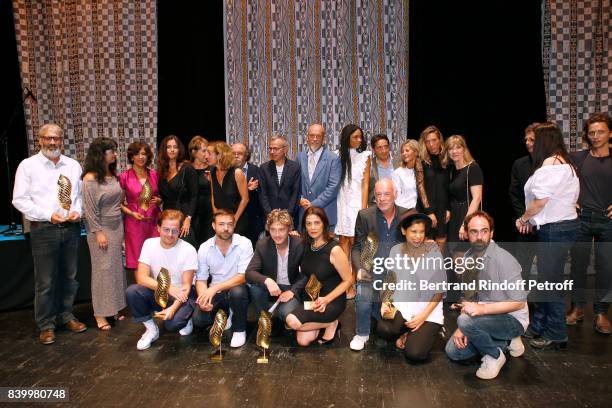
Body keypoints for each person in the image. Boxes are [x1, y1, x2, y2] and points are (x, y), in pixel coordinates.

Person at [12, 123, 87, 344]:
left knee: (70, 277)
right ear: (40, 140)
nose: (52, 142)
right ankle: (46, 324)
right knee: (46, 281)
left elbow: (80, 196)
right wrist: (48, 214)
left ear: (62, 140)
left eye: (56, 138)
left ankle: (66, 315)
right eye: (48, 138)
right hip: (44, 229)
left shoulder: (72, 165)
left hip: (71, 229)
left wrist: (78, 211)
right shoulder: (28, 166)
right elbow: (19, 200)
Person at [516, 122, 579, 349]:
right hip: (562, 227)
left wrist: (524, 219)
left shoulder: (551, 164)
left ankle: (556, 333)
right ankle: (540, 325)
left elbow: (540, 202)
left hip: (555, 229)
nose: (531, 143)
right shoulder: (565, 163)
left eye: (536, 139)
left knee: (551, 284)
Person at [446, 211, 529, 380]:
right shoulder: (469, 258)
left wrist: (477, 314)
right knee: (454, 351)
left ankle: (496, 354)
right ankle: (505, 341)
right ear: (467, 234)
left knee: (464, 321)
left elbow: (519, 302)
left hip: (512, 318)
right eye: (474, 231)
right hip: (485, 318)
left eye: (484, 231)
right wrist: (461, 329)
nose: (479, 237)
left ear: (491, 233)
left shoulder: (504, 260)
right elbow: (469, 298)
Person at [349, 179, 412, 351]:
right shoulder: (364, 216)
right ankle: (362, 333)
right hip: (371, 273)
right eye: (378, 195)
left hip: (397, 278)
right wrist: (359, 268)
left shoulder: (408, 215)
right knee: (363, 293)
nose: (382, 198)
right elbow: (356, 247)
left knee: (387, 327)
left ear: (395, 194)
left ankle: (378, 312)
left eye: (386, 194)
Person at [376, 212, 446, 363]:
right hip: (404, 303)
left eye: (421, 232)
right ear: (403, 231)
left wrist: (422, 317)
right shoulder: (396, 250)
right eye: (414, 231)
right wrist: (385, 301)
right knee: (384, 329)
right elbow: (390, 279)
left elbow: (439, 292)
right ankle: (407, 331)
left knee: (414, 354)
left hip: (427, 308)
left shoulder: (433, 253)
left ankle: (413, 334)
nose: (418, 236)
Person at [125, 209, 198, 350]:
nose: (170, 235)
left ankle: (185, 319)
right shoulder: (149, 244)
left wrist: (173, 308)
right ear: (158, 228)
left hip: (184, 295)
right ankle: (151, 329)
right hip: (164, 292)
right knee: (133, 291)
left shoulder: (188, 249)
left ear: (180, 230)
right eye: (166, 230)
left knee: (172, 324)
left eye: (175, 231)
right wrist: (169, 288)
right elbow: (141, 278)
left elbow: (186, 287)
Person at [567, 113, 612, 334]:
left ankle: (602, 313)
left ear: (610, 133)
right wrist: (569, 201)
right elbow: (559, 179)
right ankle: (577, 308)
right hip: (582, 218)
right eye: (592, 132)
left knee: (606, 267)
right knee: (578, 266)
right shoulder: (577, 157)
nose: (595, 136)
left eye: (600, 131)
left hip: (608, 221)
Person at [285, 207, 353, 346]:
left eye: (317, 223)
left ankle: (330, 322)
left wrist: (326, 300)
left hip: (331, 300)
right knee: (303, 341)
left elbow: (348, 280)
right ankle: (327, 324)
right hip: (311, 298)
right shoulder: (307, 245)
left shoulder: (334, 250)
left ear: (324, 224)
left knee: (291, 321)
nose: (313, 227)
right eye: (309, 223)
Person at [82, 137, 126, 331]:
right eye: (112, 151)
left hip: (117, 227)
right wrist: (98, 232)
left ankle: (114, 307)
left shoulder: (111, 174)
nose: (115, 155)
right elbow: (89, 210)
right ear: (101, 154)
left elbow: (118, 203)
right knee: (103, 271)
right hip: (100, 229)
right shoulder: (90, 178)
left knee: (115, 269)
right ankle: (100, 313)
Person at [193, 209, 253, 348]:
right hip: (218, 293)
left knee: (237, 292)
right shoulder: (204, 247)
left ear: (234, 225)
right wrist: (203, 298)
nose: (226, 228)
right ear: (213, 226)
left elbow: (243, 277)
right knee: (198, 320)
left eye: (229, 224)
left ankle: (239, 330)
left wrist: (214, 288)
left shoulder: (245, 243)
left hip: (239, 289)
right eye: (221, 224)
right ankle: (227, 312)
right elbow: (201, 279)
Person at [246, 209, 306, 323]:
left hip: (291, 287)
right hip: (272, 287)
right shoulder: (263, 244)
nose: (277, 235)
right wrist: (268, 280)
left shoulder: (300, 244)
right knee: (255, 287)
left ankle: (282, 313)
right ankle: (264, 321)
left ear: (289, 229)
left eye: (281, 230)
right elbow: (249, 272)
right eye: (273, 230)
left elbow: (307, 274)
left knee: (284, 313)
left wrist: (293, 291)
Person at [335, 124, 371, 298]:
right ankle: (345, 284)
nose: (359, 140)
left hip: (357, 203)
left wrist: (363, 209)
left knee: (356, 243)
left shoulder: (365, 156)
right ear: (347, 138)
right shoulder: (338, 155)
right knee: (343, 241)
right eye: (355, 137)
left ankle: (356, 284)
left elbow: (365, 184)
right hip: (341, 202)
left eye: (360, 137)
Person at [119, 141, 161, 275]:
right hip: (135, 223)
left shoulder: (154, 174)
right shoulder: (124, 177)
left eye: (144, 154)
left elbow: (160, 196)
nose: (141, 157)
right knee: (138, 259)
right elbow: (119, 203)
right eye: (137, 154)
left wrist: (159, 200)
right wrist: (131, 213)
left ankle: (157, 293)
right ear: (131, 157)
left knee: (157, 257)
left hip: (154, 221)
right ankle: (141, 294)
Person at [296, 124, 341, 230]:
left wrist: (313, 204)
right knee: (304, 246)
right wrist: (300, 199)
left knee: (326, 246)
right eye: (312, 135)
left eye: (318, 136)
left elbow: (333, 187)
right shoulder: (299, 157)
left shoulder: (333, 158)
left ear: (324, 138)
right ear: (307, 137)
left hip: (325, 214)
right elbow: (295, 183)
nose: (314, 139)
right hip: (303, 215)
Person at [508, 124, 538, 279]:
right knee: (522, 267)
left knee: (548, 269)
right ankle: (523, 302)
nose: (527, 143)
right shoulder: (519, 164)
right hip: (525, 226)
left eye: (532, 139)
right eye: (526, 139)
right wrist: (524, 218)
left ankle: (544, 302)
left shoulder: (553, 164)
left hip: (547, 226)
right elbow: (514, 194)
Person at [157, 135, 199, 247]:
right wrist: (158, 200)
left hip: (184, 216)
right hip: (167, 216)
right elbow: (164, 194)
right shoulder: (161, 170)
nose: (172, 149)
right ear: (164, 150)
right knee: (168, 248)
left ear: (179, 149)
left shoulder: (187, 168)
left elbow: (194, 196)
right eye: (168, 147)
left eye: (175, 147)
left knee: (186, 248)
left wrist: (188, 219)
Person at [446, 135, 483, 254]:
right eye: (451, 148)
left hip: (467, 214)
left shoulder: (472, 168)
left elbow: (477, 198)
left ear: (464, 149)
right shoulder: (451, 170)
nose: (454, 151)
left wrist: (465, 224)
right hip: (454, 217)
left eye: (458, 147)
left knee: (466, 256)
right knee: (454, 256)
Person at [418, 125, 450, 251]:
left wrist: (448, 208)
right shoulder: (421, 161)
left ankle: (440, 271)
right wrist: (429, 212)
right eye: (427, 141)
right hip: (427, 209)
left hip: (443, 209)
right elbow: (420, 187)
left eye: (434, 140)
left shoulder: (448, 159)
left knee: (441, 246)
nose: (431, 144)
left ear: (439, 140)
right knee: (428, 247)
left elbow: (450, 186)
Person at [258, 135, 301, 225]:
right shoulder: (264, 168)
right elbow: (263, 195)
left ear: (285, 150)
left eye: (276, 149)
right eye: (270, 148)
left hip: (290, 217)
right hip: (269, 218)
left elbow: (295, 194)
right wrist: (271, 215)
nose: (272, 151)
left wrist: (287, 215)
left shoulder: (295, 167)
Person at [210, 142, 249, 236]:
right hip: (220, 222)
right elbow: (213, 197)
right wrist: (217, 218)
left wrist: (234, 220)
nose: (206, 156)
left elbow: (245, 199)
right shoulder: (212, 173)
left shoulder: (237, 173)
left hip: (237, 221)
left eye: (210, 153)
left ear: (219, 155)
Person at [232, 142, 264, 246]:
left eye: (239, 153)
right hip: (233, 217)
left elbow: (263, 195)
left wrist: (253, 190)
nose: (236, 156)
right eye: (233, 153)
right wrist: (246, 188)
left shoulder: (257, 171)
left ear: (246, 156)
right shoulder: (226, 171)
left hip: (252, 221)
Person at [392, 139, 433, 217]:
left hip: (420, 211)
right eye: (402, 152)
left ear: (416, 152)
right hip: (404, 212)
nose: (404, 153)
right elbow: (396, 197)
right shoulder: (398, 173)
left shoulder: (422, 171)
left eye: (407, 150)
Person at [188, 136, 214, 246]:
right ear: (194, 152)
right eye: (203, 151)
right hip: (192, 213)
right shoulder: (187, 169)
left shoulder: (213, 168)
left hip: (209, 212)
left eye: (208, 151)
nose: (206, 154)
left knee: (209, 243)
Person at [367, 134, 397, 206]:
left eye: (386, 147)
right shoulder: (369, 165)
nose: (384, 151)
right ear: (373, 149)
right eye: (379, 148)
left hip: (397, 205)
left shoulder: (398, 162)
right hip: (376, 205)